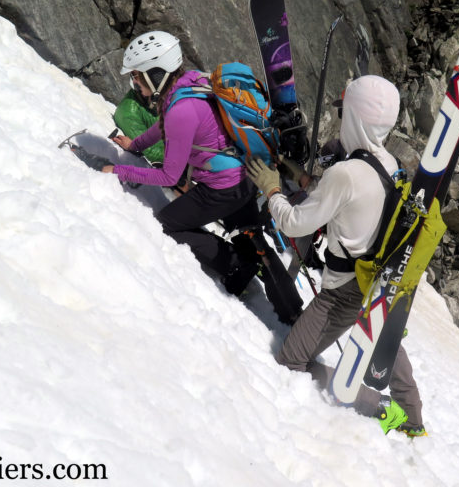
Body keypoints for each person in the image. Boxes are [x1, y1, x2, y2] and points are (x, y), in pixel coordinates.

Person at [245, 75, 426, 437]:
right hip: (374, 281)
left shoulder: (344, 173)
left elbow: (295, 223)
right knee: (382, 334)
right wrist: (308, 182)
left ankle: (386, 410)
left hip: (341, 291)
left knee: (291, 360)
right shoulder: (390, 164)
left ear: (356, 117)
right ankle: (413, 414)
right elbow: (358, 204)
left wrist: (273, 188)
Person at [100, 30, 265, 298]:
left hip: (224, 187)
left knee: (167, 224)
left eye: (136, 76)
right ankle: (248, 258)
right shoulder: (192, 81)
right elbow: (164, 125)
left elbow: (168, 176)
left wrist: (118, 169)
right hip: (241, 176)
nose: (135, 85)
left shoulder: (180, 109)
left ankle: (236, 265)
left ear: (156, 74)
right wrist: (136, 146)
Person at [113, 67, 164, 163]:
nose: (135, 79)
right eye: (134, 75)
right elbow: (152, 152)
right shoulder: (129, 112)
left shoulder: (164, 93)